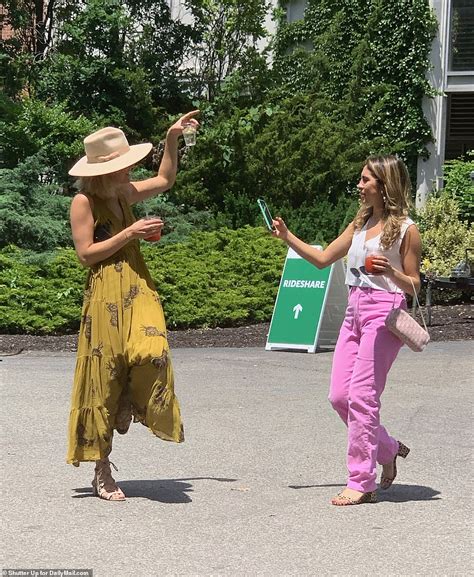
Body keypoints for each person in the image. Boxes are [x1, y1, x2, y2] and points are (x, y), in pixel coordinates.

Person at [271, 154, 421, 506]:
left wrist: (391, 272)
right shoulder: (359, 225)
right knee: (340, 396)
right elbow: (323, 260)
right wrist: (287, 236)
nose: (359, 185)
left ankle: (361, 481)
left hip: (384, 314)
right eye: (361, 179)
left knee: (363, 398)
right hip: (354, 312)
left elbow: (414, 285)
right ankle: (386, 448)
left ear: (385, 186)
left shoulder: (406, 230)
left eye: (366, 180)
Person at [66, 111, 199, 501]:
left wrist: (171, 138)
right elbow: (86, 255)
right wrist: (130, 232)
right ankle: (101, 468)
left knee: (152, 350)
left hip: (136, 283)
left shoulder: (123, 193)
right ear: (103, 172)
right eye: (124, 168)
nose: (130, 172)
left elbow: (165, 179)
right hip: (105, 290)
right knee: (104, 375)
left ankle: (129, 399)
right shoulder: (83, 201)